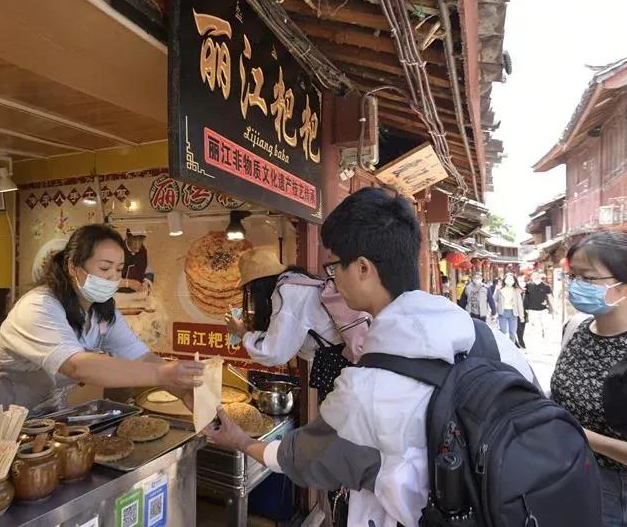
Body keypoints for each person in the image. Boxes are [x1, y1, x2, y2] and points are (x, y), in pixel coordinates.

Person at [205, 188, 535, 526]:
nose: (331, 280)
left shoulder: (365, 389)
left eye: (334, 267)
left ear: (363, 268)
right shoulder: (491, 339)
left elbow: (303, 458)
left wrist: (241, 441)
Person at [0, 224, 203, 414]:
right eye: (105, 268)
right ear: (73, 267)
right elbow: (77, 366)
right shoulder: (39, 306)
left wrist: (182, 391)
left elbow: (141, 356)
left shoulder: (103, 312)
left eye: (119, 269)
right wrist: (162, 374)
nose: (113, 278)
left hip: (43, 416)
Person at [550, 232, 627, 526]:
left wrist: (582, 435)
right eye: (573, 276)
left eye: (588, 278)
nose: (576, 286)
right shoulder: (575, 328)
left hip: (622, 493)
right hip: (569, 475)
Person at [224, 248, 368, 401]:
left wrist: (242, 332)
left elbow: (274, 353)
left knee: (338, 412)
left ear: (257, 286)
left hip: (342, 365)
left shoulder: (288, 291)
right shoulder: (298, 280)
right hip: (352, 362)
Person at [119, 227, 154, 294]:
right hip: (118, 295)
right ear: (127, 237)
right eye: (134, 239)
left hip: (137, 294)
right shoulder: (117, 250)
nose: (137, 244)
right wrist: (128, 283)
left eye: (140, 239)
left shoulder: (143, 251)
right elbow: (106, 280)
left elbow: (149, 270)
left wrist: (146, 282)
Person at [494, 273, 525, 344]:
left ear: (514, 281)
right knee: (503, 331)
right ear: (504, 280)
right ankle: (502, 345)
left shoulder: (516, 290)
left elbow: (519, 304)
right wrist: (494, 313)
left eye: (511, 279)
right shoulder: (499, 289)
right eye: (508, 279)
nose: (509, 280)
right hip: (502, 312)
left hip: (513, 313)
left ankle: (512, 347)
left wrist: (521, 316)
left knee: (512, 332)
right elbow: (494, 301)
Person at [524, 271, 554, 337]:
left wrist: (551, 306)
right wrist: (526, 308)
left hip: (543, 309)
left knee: (545, 324)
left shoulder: (546, 286)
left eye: (538, 275)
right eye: (534, 276)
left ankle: (544, 335)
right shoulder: (528, 285)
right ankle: (538, 337)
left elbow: (550, 297)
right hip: (532, 309)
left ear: (540, 277)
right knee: (536, 326)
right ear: (532, 277)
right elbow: (526, 297)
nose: (536, 277)